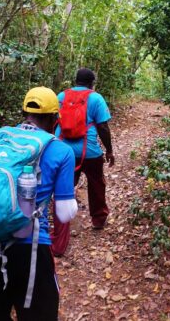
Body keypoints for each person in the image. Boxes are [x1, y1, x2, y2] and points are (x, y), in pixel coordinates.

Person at [0, 87, 77, 321]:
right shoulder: (60, 150)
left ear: (23, 113)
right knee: (39, 314)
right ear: (54, 119)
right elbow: (64, 214)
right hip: (29, 245)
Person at [52, 68, 114, 257]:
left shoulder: (61, 96)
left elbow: (52, 121)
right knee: (96, 183)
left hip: (63, 149)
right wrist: (109, 150)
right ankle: (98, 219)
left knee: (64, 187)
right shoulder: (96, 98)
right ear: (92, 82)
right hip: (89, 151)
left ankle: (61, 230)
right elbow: (102, 126)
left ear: (75, 81)